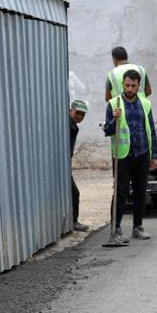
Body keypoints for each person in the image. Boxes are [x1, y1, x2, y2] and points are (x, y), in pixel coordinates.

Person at [104, 70, 157, 244]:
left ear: (138, 86)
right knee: (120, 193)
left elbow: (151, 130)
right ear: (122, 84)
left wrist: (154, 155)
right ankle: (116, 229)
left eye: (133, 86)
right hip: (122, 156)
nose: (129, 89)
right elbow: (107, 130)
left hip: (141, 154)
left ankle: (138, 227)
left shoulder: (145, 104)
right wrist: (114, 120)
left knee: (140, 192)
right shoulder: (114, 104)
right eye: (127, 85)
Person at [69, 99, 89, 233]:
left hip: (65, 165)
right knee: (74, 193)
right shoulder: (67, 124)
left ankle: (72, 221)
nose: (80, 116)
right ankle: (73, 222)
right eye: (77, 113)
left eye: (83, 114)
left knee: (73, 193)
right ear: (71, 110)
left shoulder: (73, 125)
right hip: (61, 165)